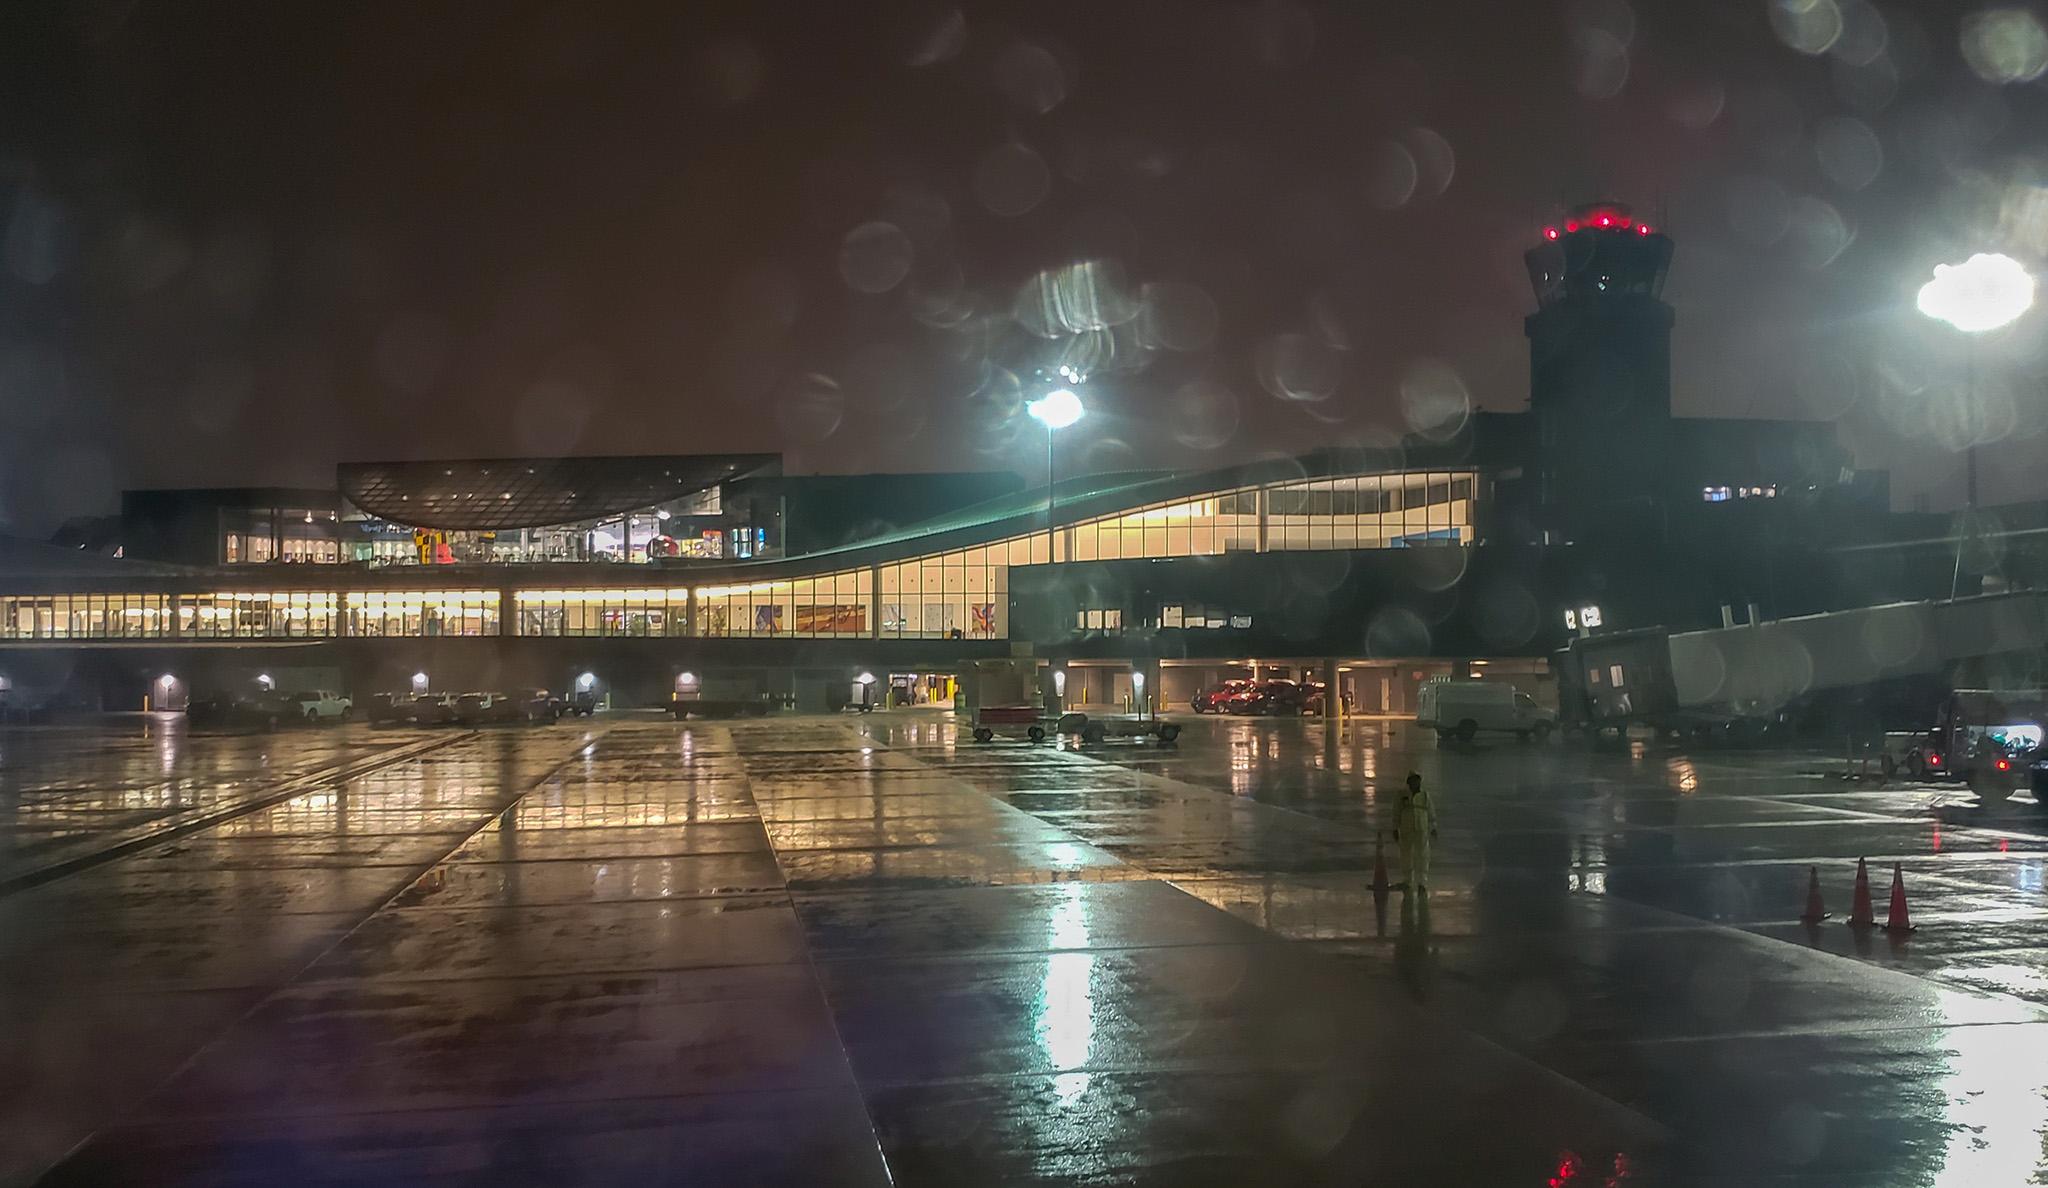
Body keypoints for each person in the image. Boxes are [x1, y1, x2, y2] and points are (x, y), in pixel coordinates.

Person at [1393, 771, 1439, 891]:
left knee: (1423, 856)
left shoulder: (1425, 796)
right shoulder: (1402, 796)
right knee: (1406, 855)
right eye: (1413, 781)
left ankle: (1422, 883)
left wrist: (1433, 827)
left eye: (1417, 780)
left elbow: (1431, 812)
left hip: (1421, 830)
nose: (1415, 783)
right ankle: (1408, 881)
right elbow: (1396, 812)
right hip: (1406, 830)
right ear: (1409, 782)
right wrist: (1395, 828)